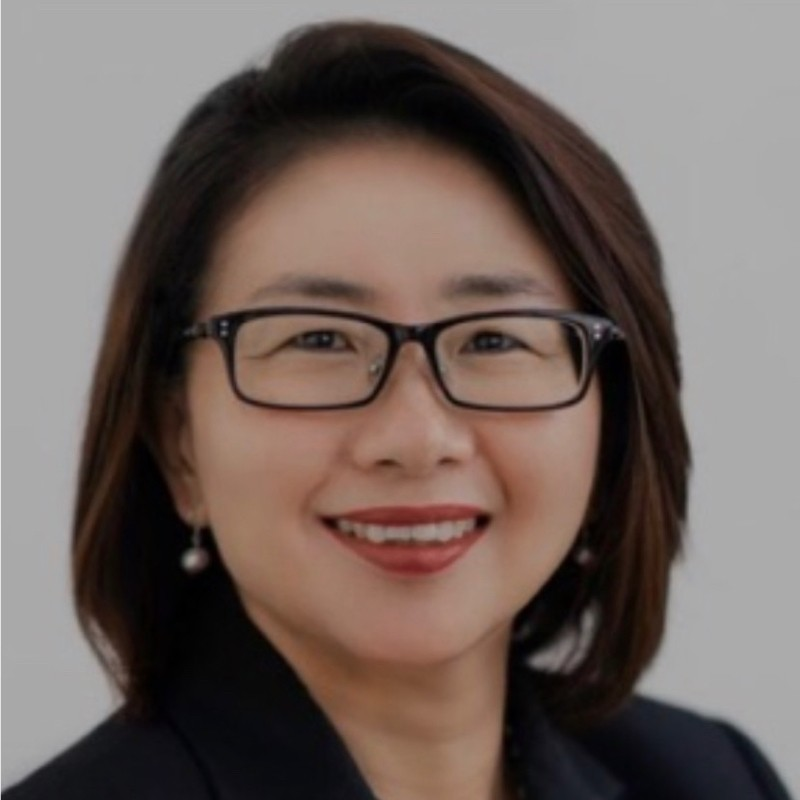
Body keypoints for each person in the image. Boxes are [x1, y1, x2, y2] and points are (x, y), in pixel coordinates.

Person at [4, 19, 792, 800]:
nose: (416, 438)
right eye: (318, 339)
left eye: (493, 339)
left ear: (609, 419)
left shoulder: (713, 778)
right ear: (180, 441)